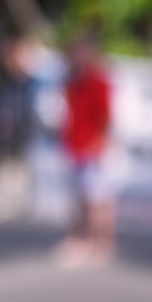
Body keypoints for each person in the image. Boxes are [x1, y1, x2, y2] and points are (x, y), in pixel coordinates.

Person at [56, 33, 115, 267]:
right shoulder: (71, 83)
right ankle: (80, 239)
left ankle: (99, 242)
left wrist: (100, 144)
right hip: (75, 148)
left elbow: (106, 116)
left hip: (92, 148)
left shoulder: (98, 81)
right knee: (78, 199)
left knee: (97, 200)